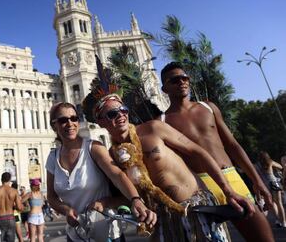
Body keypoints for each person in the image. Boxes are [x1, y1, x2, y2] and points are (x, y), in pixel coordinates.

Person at [85, 93, 254, 241]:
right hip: (165, 222)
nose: (121, 115)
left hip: (197, 208)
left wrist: (228, 190)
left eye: (123, 109)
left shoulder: (153, 128)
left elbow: (198, 152)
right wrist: (105, 202)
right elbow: (133, 196)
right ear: (100, 122)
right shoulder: (112, 157)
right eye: (112, 113)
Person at [160, 61, 274, 241]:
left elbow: (233, 145)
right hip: (200, 187)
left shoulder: (208, 107)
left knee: (262, 237)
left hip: (231, 177)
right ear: (164, 88)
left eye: (184, 78)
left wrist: (257, 180)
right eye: (174, 80)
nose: (181, 82)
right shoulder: (163, 122)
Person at [46, 102, 157, 242]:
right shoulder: (52, 157)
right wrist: (66, 210)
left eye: (74, 118)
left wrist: (135, 200)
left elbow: (116, 174)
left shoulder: (94, 147)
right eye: (63, 120)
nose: (70, 123)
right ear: (54, 125)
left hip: (107, 233)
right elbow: (51, 197)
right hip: (76, 235)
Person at [0, 172, 23, 242]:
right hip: (11, 219)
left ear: (1, 179)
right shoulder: (14, 191)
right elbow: (19, 207)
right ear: (10, 180)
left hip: (0, 219)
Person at [256, 151, 286, 227]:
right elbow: (281, 167)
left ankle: (278, 220)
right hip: (274, 183)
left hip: (265, 185)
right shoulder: (270, 162)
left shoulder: (256, 166)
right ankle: (284, 222)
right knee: (279, 203)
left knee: (272, 203)